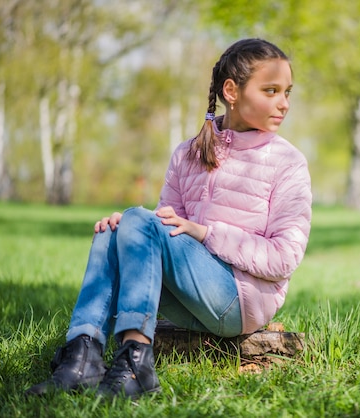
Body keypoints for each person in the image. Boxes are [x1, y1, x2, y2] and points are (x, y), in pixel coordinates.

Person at [25, 38, 312, 399]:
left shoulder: (288, 162)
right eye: (271, 90)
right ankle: (81, 358)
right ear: (231, 91)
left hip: (241, 301)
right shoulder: (187, 153)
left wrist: (207, 233)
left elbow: (285, 257)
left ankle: (136, 364)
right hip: (189, 299)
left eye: (287, 91)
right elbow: (160, 227)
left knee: (137, 220)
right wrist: (126, 229)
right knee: (113, 230)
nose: (283, 103)